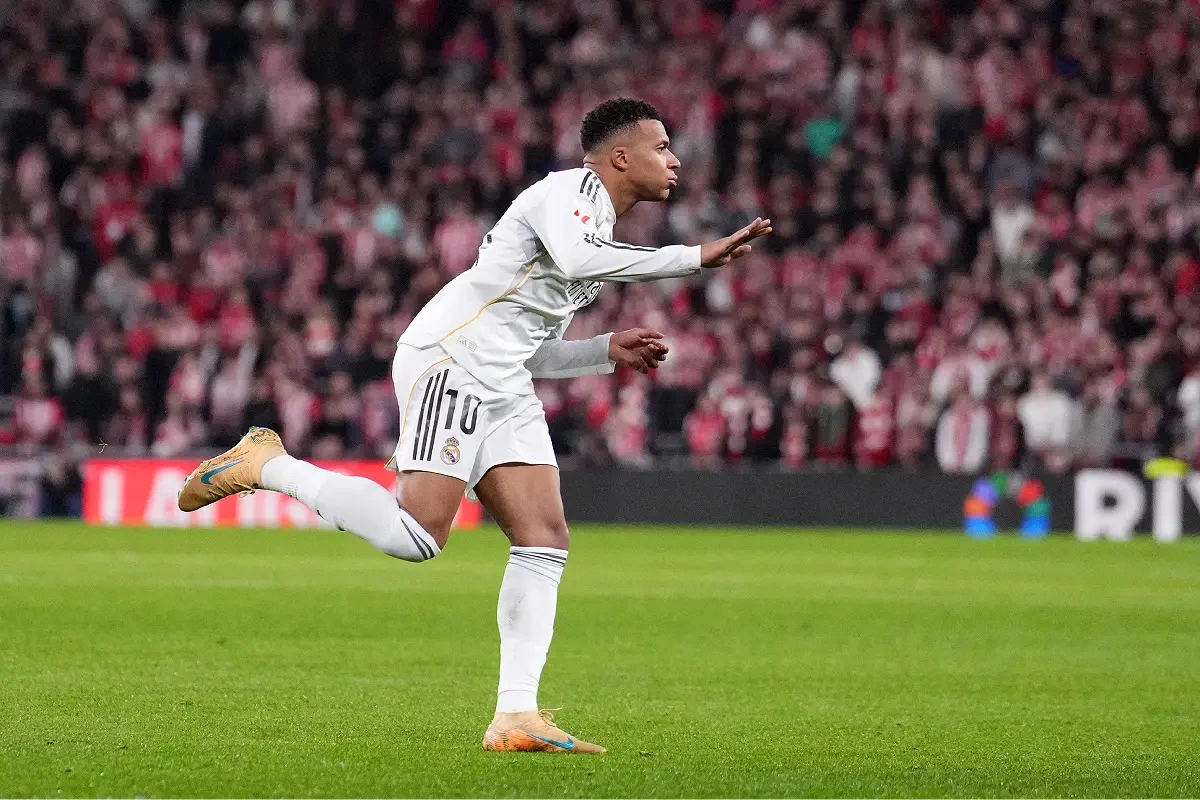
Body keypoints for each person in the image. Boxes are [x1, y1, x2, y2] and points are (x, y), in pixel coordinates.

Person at [176, 98, 771, 754]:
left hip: (502, 378)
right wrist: (693, 257)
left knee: (544, 537)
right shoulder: (567, 194)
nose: (675, 160)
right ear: (621, 157)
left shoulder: (594, 226)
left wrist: (603, 351)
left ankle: (515, 714)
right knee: (417, 537)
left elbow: (531, 348)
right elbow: (579, 262)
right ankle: (269, 464)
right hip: (451, 361)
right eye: (661, 147)